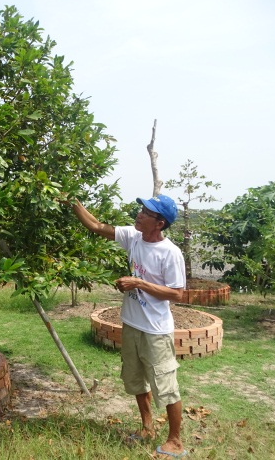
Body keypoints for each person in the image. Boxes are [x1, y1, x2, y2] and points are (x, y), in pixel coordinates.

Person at [70, 194, 188, 459]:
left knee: (165, 386)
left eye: (146, 213)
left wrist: (138, 283)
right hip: (132, 324)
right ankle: (146, 427)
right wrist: (72, 201)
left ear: (159, 223)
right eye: (141, 209)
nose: (139, 214)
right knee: (135, 380)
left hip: (156, 330)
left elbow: (178, 293)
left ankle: (175, 441)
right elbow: (97, 226)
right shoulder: (134, 236)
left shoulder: (170, 252)